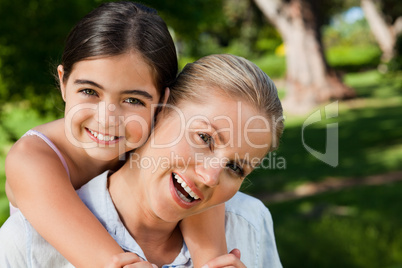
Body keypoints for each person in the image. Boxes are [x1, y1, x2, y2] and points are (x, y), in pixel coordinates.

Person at [0, 54, 284, 267]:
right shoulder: (26, 244)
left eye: (235, 167)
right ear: (160, 111)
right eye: (204, 138)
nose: (211, 177)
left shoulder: (249, 222)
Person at [3, 2, 229, 267]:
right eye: (89, 91)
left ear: (163, 103)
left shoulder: (159, 139)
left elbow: (204, 196)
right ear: (63, 82)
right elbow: (111, 263)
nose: (107, 119)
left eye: (133, 100)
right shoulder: (31, 160)